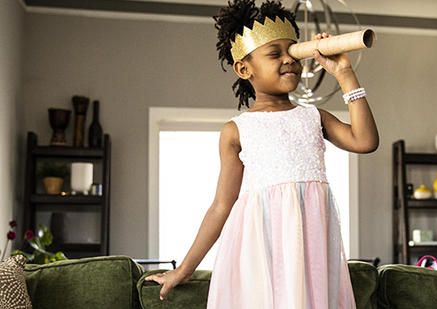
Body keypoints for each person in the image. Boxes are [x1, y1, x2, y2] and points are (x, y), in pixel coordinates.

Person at [144, 0, 379, 307]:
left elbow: (365, 141)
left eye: (293, 51)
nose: (289, 60)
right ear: (244, 68)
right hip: (259, 251)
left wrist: (345, 73)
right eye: (275, 54)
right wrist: (184, 270)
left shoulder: (313, 117)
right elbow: (220, 206)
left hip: (310, 252)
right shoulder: (236, 130)